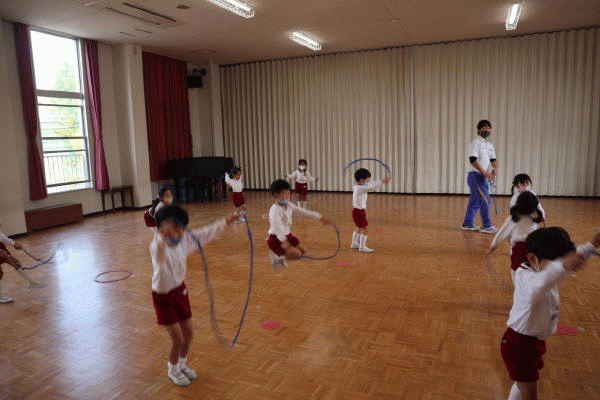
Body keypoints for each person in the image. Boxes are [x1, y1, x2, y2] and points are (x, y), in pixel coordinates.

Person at [500, 227, 600, 400]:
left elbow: (567, 263)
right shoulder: (525, 276)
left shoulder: (546, 270)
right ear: (532, 258)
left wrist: (592, 244)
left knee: (521, 384)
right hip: (518, 344)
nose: (561, 268)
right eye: (555, 264)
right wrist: (562, 265)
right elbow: (539, 284)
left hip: (534, 341)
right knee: (529, 392)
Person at [150, 205, 238, 386]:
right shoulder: (157, 245)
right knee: (177, 339)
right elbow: (159, 256)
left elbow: (206, 233)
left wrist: (227, 221)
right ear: (162, 230)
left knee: (189, 334)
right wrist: (161, 239)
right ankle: (173, 369)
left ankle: (182, 365)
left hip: (180, 291)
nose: (180, 233)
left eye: (182, 228)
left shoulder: (184, 240)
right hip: (163, 297)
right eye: (175, 228)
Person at [266, 179, 331, 268]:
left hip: (287, 234)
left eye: (288, 193)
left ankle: (280, 256)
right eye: (284, 193)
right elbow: (276, 226)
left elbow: (302, 212)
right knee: (296, 255)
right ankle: (276, 257)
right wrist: (283, 240)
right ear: (276, 195)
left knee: (303, 250)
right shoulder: (275, 210)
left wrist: (320, 217)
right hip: (276, 238)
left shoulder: (289, 205)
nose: (287, 196)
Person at [486, 191, 544, 282]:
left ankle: (519, 288)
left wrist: (492, 247)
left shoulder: (513, 219)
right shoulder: (534, 219)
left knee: (516, 271)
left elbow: (501, 234)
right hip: (534, 249)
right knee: (533, 269)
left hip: (519, 249)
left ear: (517, 204)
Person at [462, 119, 498, 233]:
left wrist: (495, 168)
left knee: (475, 201)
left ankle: (468, 223)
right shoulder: (475, 143)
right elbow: (473, 160)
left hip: (482, 177)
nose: (486, 130)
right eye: (483, 128)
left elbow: (493, 159)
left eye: (488, 128)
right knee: (485, 199)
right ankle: (487, 225)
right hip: (475, 176)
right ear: (478, 130)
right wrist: (485, 172)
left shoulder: (490, 145)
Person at [351, 168, 390, 253]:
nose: (368, 181)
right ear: (362, 180)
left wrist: (382, 181)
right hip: (359, 212)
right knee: (365, 229)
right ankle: (362, 247)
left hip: (358, 211)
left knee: (359, 228)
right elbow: (371, 186)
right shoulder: (360, 188)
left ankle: (354, 243)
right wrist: (382, 181)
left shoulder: (360, 186)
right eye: (367, 179)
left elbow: (370, 184)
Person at [0, 229, 44, 303]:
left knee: (17, 263)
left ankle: (32, 282)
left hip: (2, 249)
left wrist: (14, 243)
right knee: (0, 273)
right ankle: (1, 297)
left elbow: (1, 236)